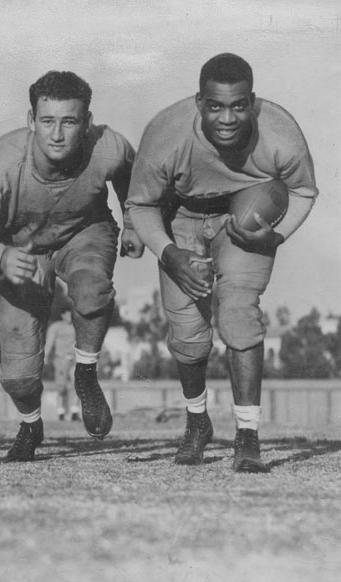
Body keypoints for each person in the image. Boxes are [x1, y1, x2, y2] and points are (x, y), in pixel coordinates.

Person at [126, 53, 318, 473]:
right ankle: (198, 424)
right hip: (180, 216)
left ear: (253, 102)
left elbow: (304, 191)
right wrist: (169, 253)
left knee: (238, 315)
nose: (227, 118)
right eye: (216, 106)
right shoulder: (166, 132)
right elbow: (139, 205)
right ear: (199, 103)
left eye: (238, 105)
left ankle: (247, 435)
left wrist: (276, 235)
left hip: (241, 222)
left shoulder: (280, 132)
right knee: (188, 337)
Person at [0, 70, 142, 461]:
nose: (57, 134)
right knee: (18, 378)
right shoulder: (1, 162)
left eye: (69, 122)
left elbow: (131, 174)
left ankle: (85, 373)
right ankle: (31, 423)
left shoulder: (107, 146)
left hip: (83, 233)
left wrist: (133, 222)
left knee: (91, 289)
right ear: (30, 121)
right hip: (22, 250)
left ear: (87, 123)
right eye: (47, 121)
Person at [43, 308, 81, 421]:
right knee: (61, 387)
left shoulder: (77, 326)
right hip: (61, 359)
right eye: (68, 313)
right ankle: (61, 412)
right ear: (63, 315)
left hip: (74, 359)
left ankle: (75, 411)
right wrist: (45, 355)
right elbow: (49, 342)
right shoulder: (56, 327)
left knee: (78, 385)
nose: (70, 315)